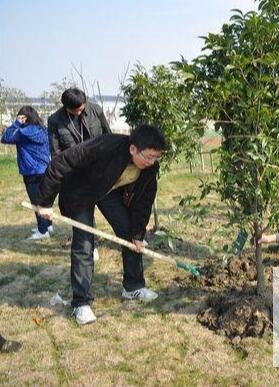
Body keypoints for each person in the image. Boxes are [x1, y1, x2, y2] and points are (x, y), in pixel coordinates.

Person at [36, 125, 166, 325]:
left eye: (156, 157)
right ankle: (81, 303)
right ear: (133, 149)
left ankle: (132, 287)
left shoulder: (150, 170)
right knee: (84, 243)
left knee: (129, 235)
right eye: (148, 156)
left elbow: (143, 203)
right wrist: (44, 202)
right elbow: (62, 161)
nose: (151, 162)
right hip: (80, 191)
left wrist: (138, 235)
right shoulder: (106, 145)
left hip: (107, 191)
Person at [48, 87, 112, 260]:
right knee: (83, 215)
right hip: (75, 176)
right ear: (66, 108)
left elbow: (108, 136)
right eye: (77, 110)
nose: (81, 111)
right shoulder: (55, 120)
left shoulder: (95, 110)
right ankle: (90, 246)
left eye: (83, 107)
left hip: (99, 173)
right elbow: (56, 153)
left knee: (113, 209)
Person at [1, 106, 53, 240]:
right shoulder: (43, 129)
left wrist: (16, 123)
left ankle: (43, 231)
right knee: (44, 199)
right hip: (45, 169)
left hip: (31, 171)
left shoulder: (23, 133)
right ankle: (48, 225)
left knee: (36, 201)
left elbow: (5, 138)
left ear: (24, 118)